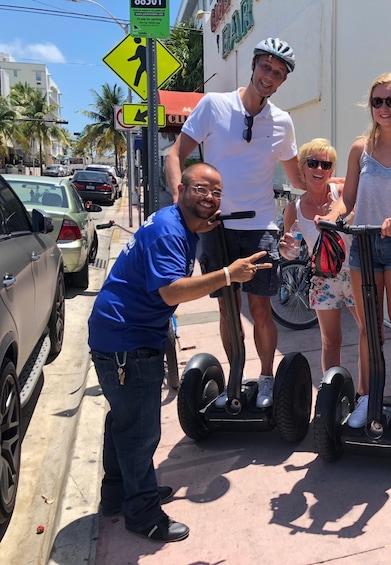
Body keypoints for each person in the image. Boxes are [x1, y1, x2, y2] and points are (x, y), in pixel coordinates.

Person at [88, 163, 272, 542]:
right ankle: (142, 513)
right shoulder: (170, 232)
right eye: (202, 189)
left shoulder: (176, 223)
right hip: (128, 340)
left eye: (217, 193)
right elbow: (171, 291)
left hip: (120, 335)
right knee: (140, 431)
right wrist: (227, 275)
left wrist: (200, 227)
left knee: (122, 422)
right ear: (181, 190)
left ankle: (118, 494)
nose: (210, 198)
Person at [165, 37, 302, 409]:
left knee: (260, 309)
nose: (269, 76)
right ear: (253, 65)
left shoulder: (282, 123)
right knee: (227, 307)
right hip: (216, 226)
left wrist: (333, 181)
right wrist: (184, 203)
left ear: (283, 80)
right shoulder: (214, 105)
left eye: (278, 72)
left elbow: (299, 179)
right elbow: (176, 153)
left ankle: (268, 378)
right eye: (265, 67)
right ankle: (236, 377)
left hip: (260, 227)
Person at [317, 72, 391, 434]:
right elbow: (348, 199)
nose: (384, 108)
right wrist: (331, 217)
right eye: (377, 102)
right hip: (364, 245)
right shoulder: (359, 148)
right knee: (369, 328)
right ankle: (366, 396)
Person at [279, 138, 357, 374]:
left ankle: (365, 394)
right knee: (330, 341)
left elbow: (364, 186)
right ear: (302, 167)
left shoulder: (342, 192)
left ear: (332, 169)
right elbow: (291, 249)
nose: (319, 169)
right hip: (323, 277)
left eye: (326, 165)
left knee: (371, 335)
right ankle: (331, 393)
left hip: (356, 272)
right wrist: (286, 248)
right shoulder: (294, 209)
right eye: (313, 163)